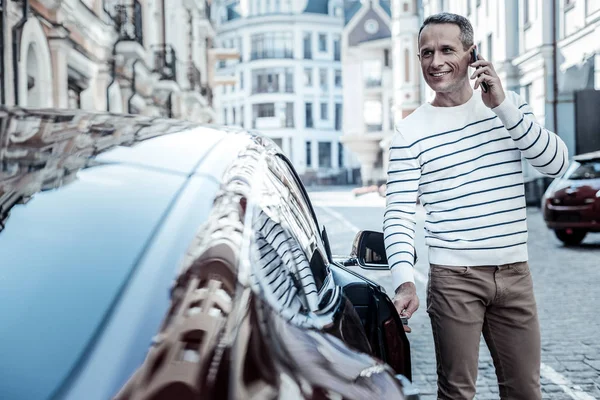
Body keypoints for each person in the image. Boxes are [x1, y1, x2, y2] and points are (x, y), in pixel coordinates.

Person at [383, 12, 569, 400]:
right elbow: (398, 213)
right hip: (454, 279)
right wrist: (404, 280)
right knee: (456, 393)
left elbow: (555, 164)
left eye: (447, 49)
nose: (435, 62)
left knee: (525, 391)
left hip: (516, 274)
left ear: (472, 53)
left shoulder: (509, 106)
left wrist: (502, 106)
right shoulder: (410, 131)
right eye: (426, 53)